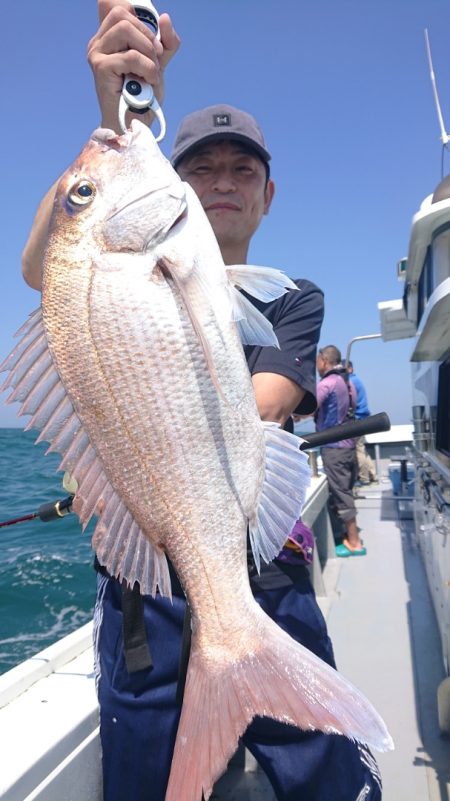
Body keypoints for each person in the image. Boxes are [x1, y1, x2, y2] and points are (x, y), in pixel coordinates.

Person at [21, 3, 382, 800]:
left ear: (268, 194)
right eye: (203, 168)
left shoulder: (290, 298)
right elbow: (48, 264)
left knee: (332, 782)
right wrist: (113, 110)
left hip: (262, 574)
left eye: (240, 169)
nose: (222, 181)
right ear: (176, 183)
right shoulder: (107, 264)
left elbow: (263, 406)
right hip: (144, 596)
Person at [316, 346, 366, 557]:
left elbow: (308, 407)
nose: (316, 365)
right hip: (349, 446)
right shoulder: (348, 382)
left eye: (318, 360)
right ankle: (348, 535)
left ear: (324, 361)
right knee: (345, 489)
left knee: (341, 494)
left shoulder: (327, 383)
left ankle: (354, 542)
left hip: (334, 448)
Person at [342, 359, 377, 485]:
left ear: (350, 369)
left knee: (358, 450)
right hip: (363, 418)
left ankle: (364, 478)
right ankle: (373, 474)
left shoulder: (350, 382)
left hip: (357, 418)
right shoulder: (356, 380)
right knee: (362, 448)